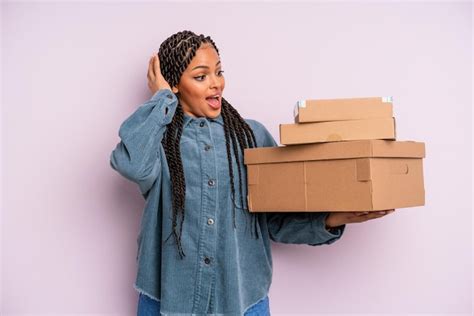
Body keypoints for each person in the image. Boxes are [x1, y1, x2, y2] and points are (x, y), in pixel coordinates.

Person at [109, 30, 395, 316]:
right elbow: (132, 164)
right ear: (174, 84)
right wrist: (161, 100)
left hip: (243, 302)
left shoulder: (251, 136)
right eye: (200, 76)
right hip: (167, 303)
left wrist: (332, 220)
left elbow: (274, 220)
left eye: (219, 72)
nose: (216, 84)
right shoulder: (158, 140)